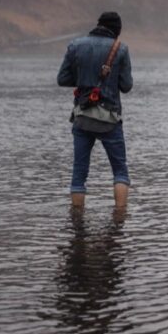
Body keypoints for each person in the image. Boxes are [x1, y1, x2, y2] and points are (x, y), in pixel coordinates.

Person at [57, 12, 134, 209]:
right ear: (117, 30)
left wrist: (84, 79)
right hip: (110, 120)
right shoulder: (121, 49)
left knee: (79, 175)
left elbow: (62, 79)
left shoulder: (75, 45)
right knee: (120, 172)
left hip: (82, 117)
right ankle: (119, 220)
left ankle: (77, 223)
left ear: (98, 25)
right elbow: (126, 86)